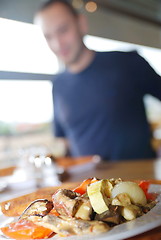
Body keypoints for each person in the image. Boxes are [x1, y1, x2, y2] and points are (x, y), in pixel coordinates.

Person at [35, 0, 161, 161]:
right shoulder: (58, 85)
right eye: (48, 36)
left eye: (63, 30)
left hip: (139, 181)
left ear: (81, 24)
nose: (58, 43)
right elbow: (65, 141)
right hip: (87, 184)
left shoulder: (127, 63)